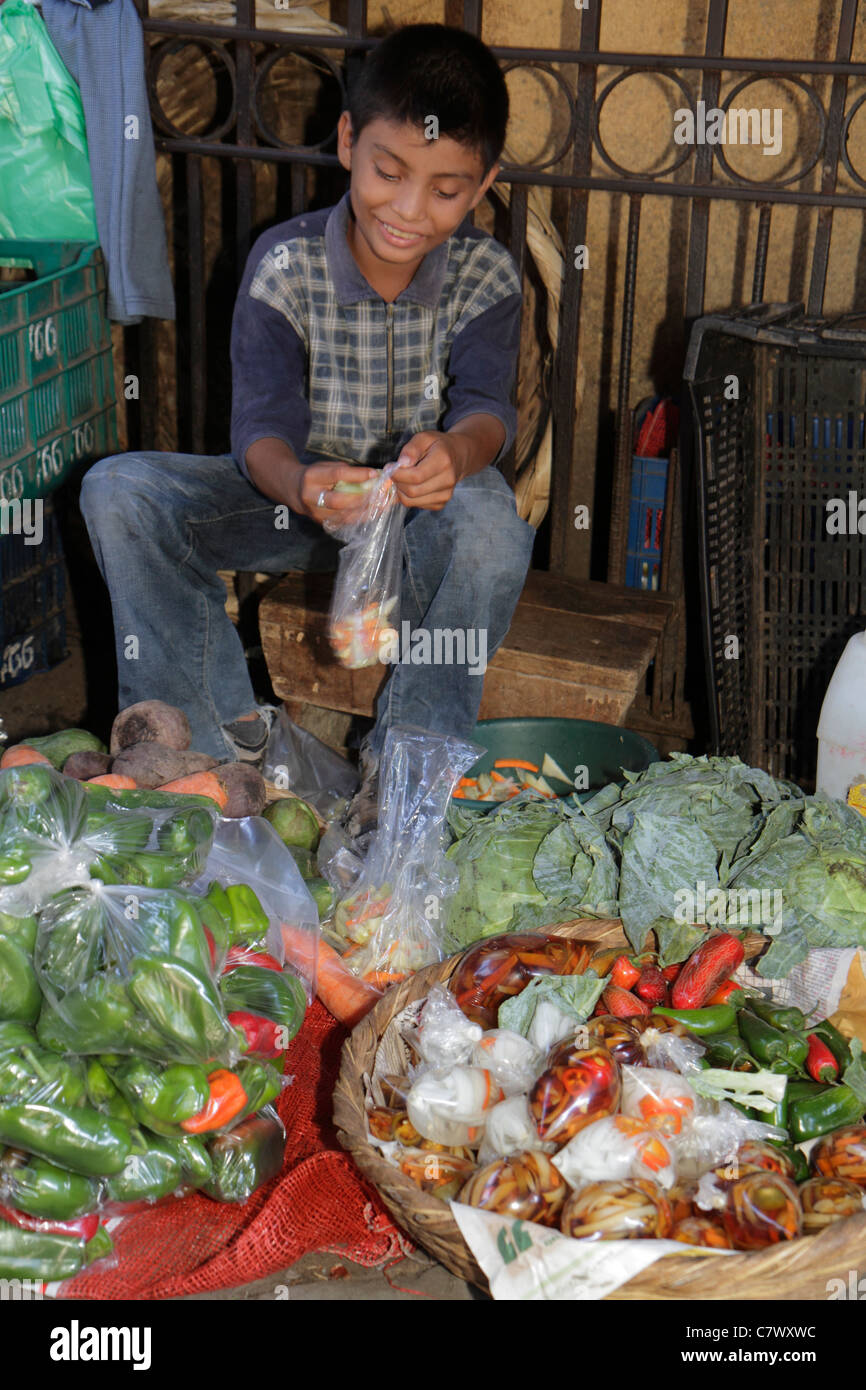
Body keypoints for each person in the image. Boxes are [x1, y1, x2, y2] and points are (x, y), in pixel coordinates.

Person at [81, 22, 536, 836]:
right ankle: (212, 749)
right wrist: (297, 482)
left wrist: (456, 454)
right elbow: (259, 426)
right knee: (119, 490)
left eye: (445, 188)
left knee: (496, 529)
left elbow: (488, 410)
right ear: (348, 142)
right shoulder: (281, 266)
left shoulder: (487, 274)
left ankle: (403, 781)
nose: (407, 209)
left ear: (484, 183)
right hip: (294, 505)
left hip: (422, 519)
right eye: (388, 172)